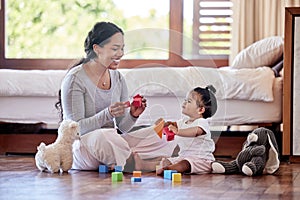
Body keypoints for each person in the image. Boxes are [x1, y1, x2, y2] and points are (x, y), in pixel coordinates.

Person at [56, 22, 173, 172]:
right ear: (97, 49)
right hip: (83, 148)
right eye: (115, 48)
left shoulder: (117, 78)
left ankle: (125, 160)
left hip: (111, 143)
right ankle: (142, 163)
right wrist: (108, 114)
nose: (121, 53)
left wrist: (132, 115)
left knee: (163, 132)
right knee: (104, 136)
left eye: (122, 48)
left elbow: (122, 128)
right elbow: (76, 129)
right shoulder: (75, 79)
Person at [134, 85, 218, 175]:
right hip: (183, 156)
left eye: (189, 101)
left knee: (184, 164)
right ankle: (144, 165)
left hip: (201, 160)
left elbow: (196, 132)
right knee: (167, 160)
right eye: (185, 100)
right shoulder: (183, 122)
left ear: (200, 109)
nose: (184, 103)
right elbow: (172, 125)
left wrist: (178, 132)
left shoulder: (201, 122)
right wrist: (163, 124)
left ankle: (168, 169)